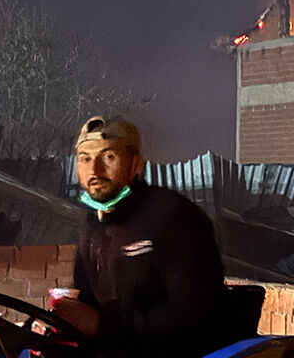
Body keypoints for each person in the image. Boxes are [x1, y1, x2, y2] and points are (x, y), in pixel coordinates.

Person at [52, 116, 232, 358]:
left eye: (108, 157)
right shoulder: (93, 225)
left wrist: (100, 325)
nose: (94, 170)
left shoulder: (172, 216)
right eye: (85, 158)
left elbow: (194, 313)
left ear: (135, 164)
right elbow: (88, 302)